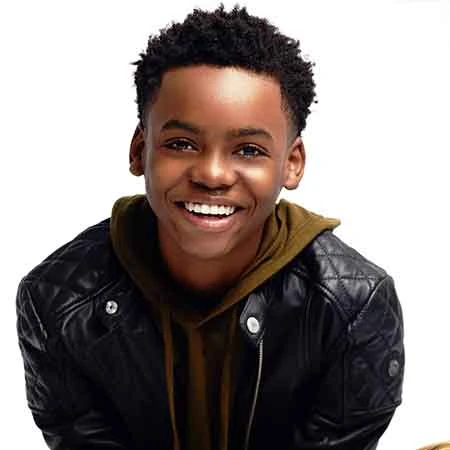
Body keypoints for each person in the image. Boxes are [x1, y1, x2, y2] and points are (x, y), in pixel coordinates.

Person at [16, 4, 404, 450]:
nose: (213, 174)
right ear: (139, 150)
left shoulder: (354, 306)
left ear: (292, 163)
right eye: (181, 144)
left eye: (249, 150)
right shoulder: (57, 302)